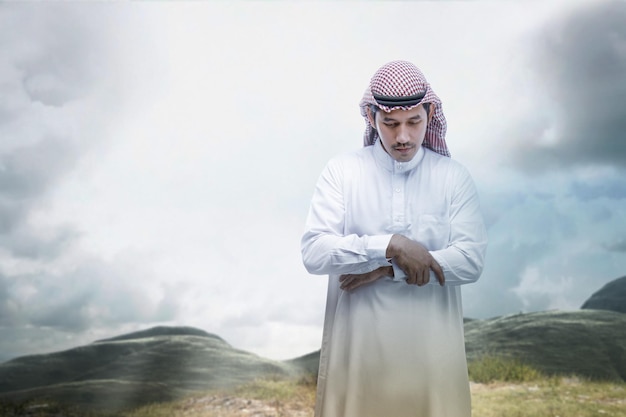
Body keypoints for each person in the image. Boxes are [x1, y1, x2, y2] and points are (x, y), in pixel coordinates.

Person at [301, 60, 488, 417]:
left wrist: (388, 268)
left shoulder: (453, 177)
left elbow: (470, 260)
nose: (403, 136)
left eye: (414, 122)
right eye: (390, 123)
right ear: (372, 117)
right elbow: (314, 252)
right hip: (358, 359)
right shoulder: (342, 171)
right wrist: (389, 245)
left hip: (433, 361)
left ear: (430, 113)